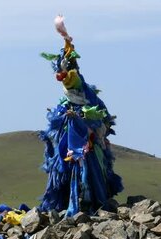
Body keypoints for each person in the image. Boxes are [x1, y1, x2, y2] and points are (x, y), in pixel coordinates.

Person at [38, 16, 123, 217]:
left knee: (87, 169)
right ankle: (69, 201)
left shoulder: (86, 95)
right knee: (66, 166)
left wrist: (80, 121)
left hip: (87, 145)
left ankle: (89, 203)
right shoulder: (66, 99)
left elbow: (99, 117)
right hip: (69, 141)